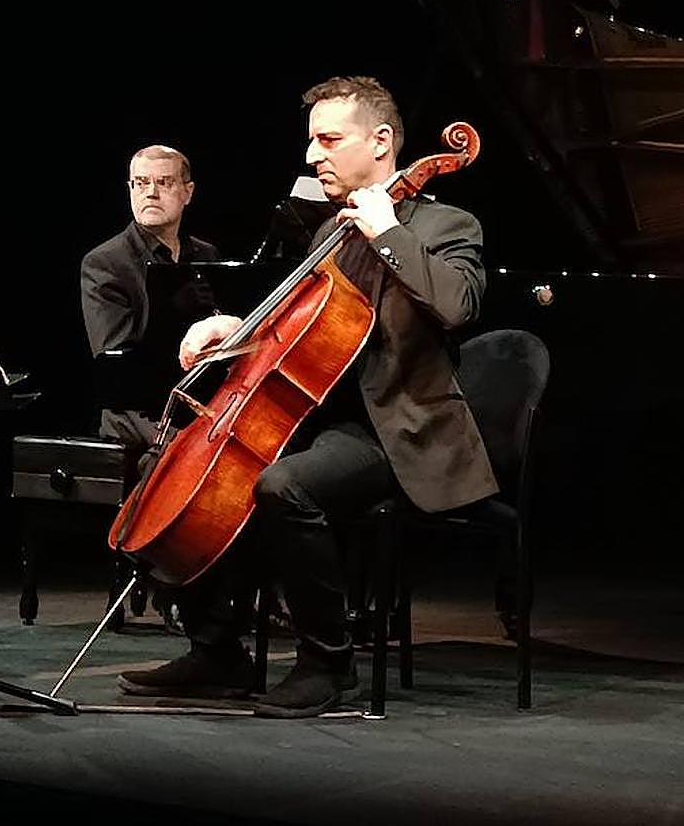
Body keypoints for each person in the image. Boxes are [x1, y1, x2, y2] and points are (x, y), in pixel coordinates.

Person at [117, 76, 497, 717]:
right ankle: (217, 651)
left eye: (328, 140)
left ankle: (328, 663)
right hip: (317, 421)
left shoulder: (445, 224)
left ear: (381, 142)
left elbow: (458, 306)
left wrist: (388, 234)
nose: (312, 155)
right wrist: (232, 330)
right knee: (176, 467)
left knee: (285, 485)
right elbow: (295, 330)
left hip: (396, 431)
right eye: (312, 141)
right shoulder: (328, 233)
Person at [80, 145, 236, 632]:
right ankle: (178, 591)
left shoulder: (206, 256)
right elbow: (115, 357)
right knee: (180, 459)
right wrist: (173, 316)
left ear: (187, 192)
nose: (150, 192)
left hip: (197, 402)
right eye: (140, 183)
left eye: (164, 182)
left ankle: (234, 590)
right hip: (135, 409)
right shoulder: (106, 262)